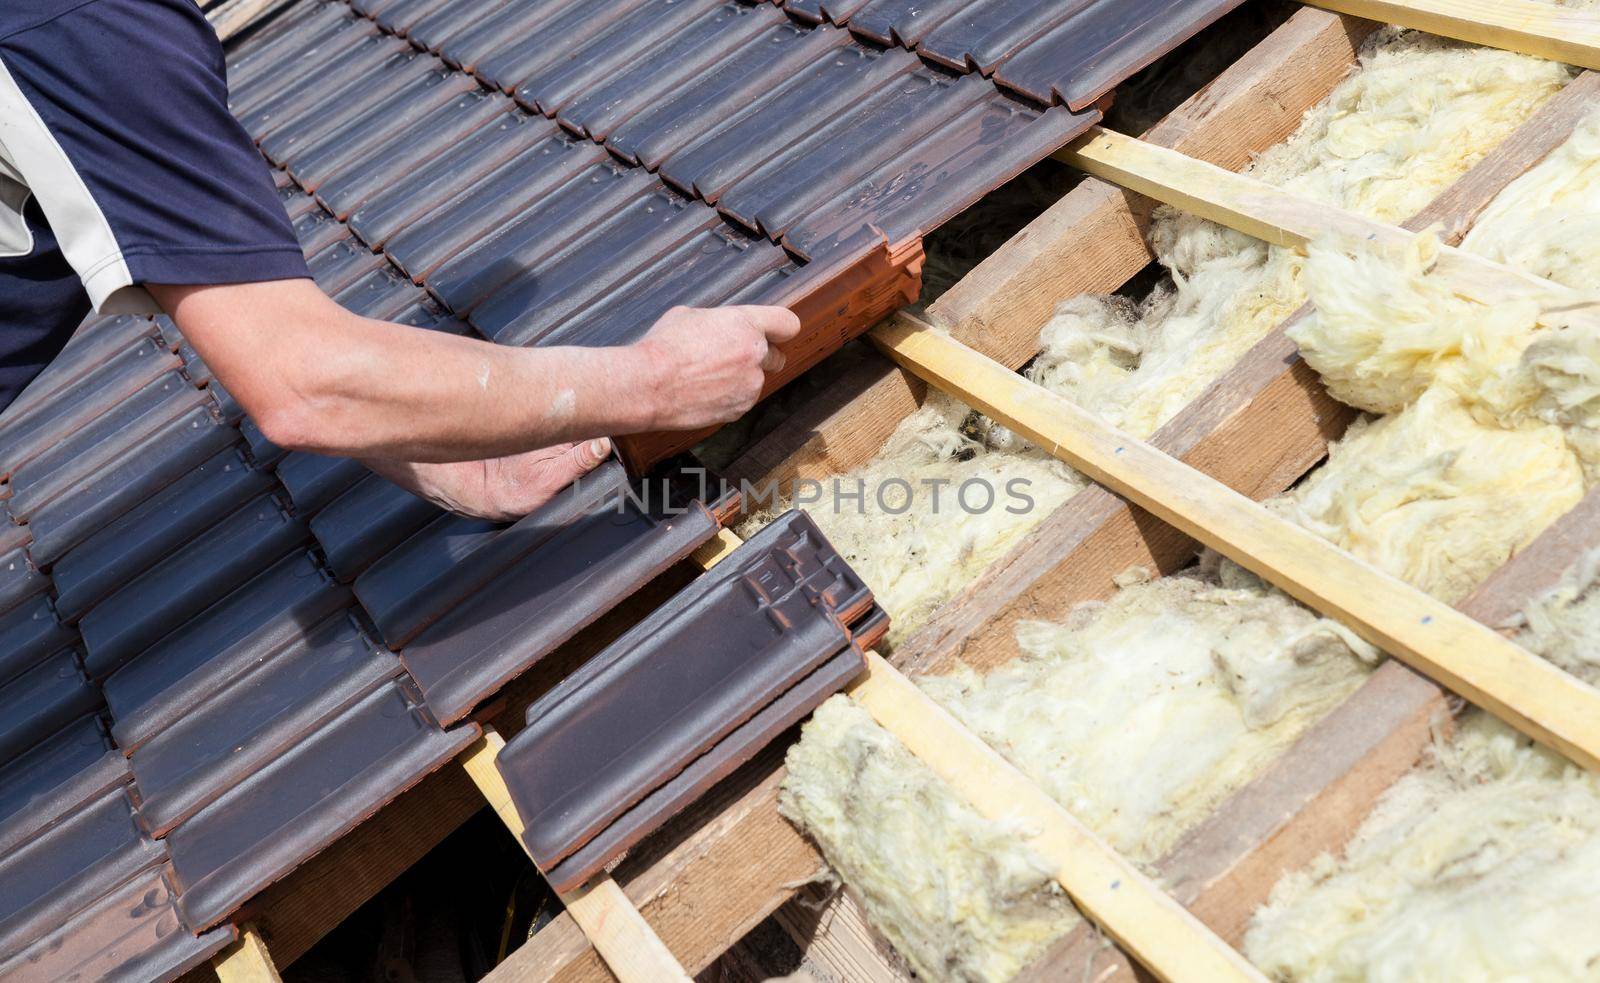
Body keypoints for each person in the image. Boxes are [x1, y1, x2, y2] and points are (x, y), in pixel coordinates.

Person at [0, 0, 800, 520]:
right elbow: (304, 383)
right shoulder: (79, 25)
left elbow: (224, 300)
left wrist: (449, 460)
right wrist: (656, 382)